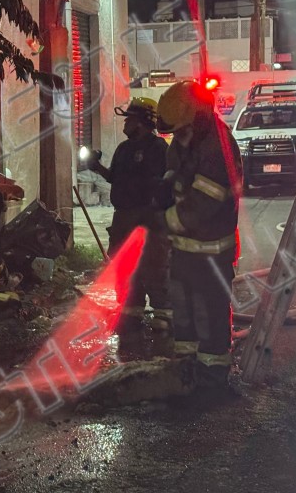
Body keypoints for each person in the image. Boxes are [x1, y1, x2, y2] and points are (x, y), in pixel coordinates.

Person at [150, 80, 243, 388]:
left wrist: (164, 220)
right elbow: (174, 170)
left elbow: (205, 202)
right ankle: (187, 367)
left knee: (211, 314)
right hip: (184, 250)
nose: (177, 139)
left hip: (212, 252)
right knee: (184, 312)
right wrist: (164, 187)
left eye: (180, 132)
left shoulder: (218, 147)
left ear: (198, 120)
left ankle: (213, 374)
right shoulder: (185, 138)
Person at [88, 97, 172, 352]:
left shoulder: (159, 148)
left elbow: (163, 184)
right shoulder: (124, 149)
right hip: (123, 216)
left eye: (130, 119)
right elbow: (114, 177)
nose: (125, 124)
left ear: (143, 122)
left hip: (149, 218)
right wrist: (95, 167)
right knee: (124, 266)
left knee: (153, 266)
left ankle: (163, 315)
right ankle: (131, 311)